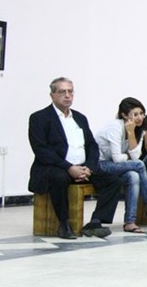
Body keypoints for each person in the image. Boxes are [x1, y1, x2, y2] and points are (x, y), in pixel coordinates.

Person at [28, 77, 120, 239]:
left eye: (70, 91)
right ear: (52, 95)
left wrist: (89, 167)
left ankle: (96, 222)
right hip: (54, 168)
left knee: (113, 180)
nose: (67, 95)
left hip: (82, 168)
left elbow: (92, 145)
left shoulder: (80, 118)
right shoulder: (39, 118)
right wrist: (69, 168)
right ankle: (64, 224)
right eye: (62, 92)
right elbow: (42, 150)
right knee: (60, 177)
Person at [95, 97, 147, 233]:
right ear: (124, 115)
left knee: (133, 176)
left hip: (116, 165)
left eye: (142, 113)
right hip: (100, 164)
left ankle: (130, 222)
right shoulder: (115, 128)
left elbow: (134, 156)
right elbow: (118, 159)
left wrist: (131, 133)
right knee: (139, 165)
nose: (140, 118)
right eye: (135, 115)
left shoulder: (139, 129)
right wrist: (128, 156)